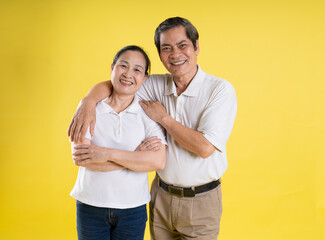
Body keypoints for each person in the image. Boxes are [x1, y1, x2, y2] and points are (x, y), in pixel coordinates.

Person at [69, 17, 237, 240]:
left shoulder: (219, 90)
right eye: (166, 48)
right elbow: (120, 82)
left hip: (201, 199)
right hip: (161, 196)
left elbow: (205, 148)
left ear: (196, 47)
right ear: (160, 54)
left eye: (182, 45)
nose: (175, 54)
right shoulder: (155, 84)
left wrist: (163, 118)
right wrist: (88, 101)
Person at [70, 45, 167, 240]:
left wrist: (107, 154)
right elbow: (81, 158)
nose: (128, 74)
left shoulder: (147, 113)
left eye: (137, 69)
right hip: (91, 205)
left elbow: (158, 162)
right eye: (123, 66)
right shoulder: (90, 109)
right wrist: (136, 158)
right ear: (112, 68)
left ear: (145, 78)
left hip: (133, 209)